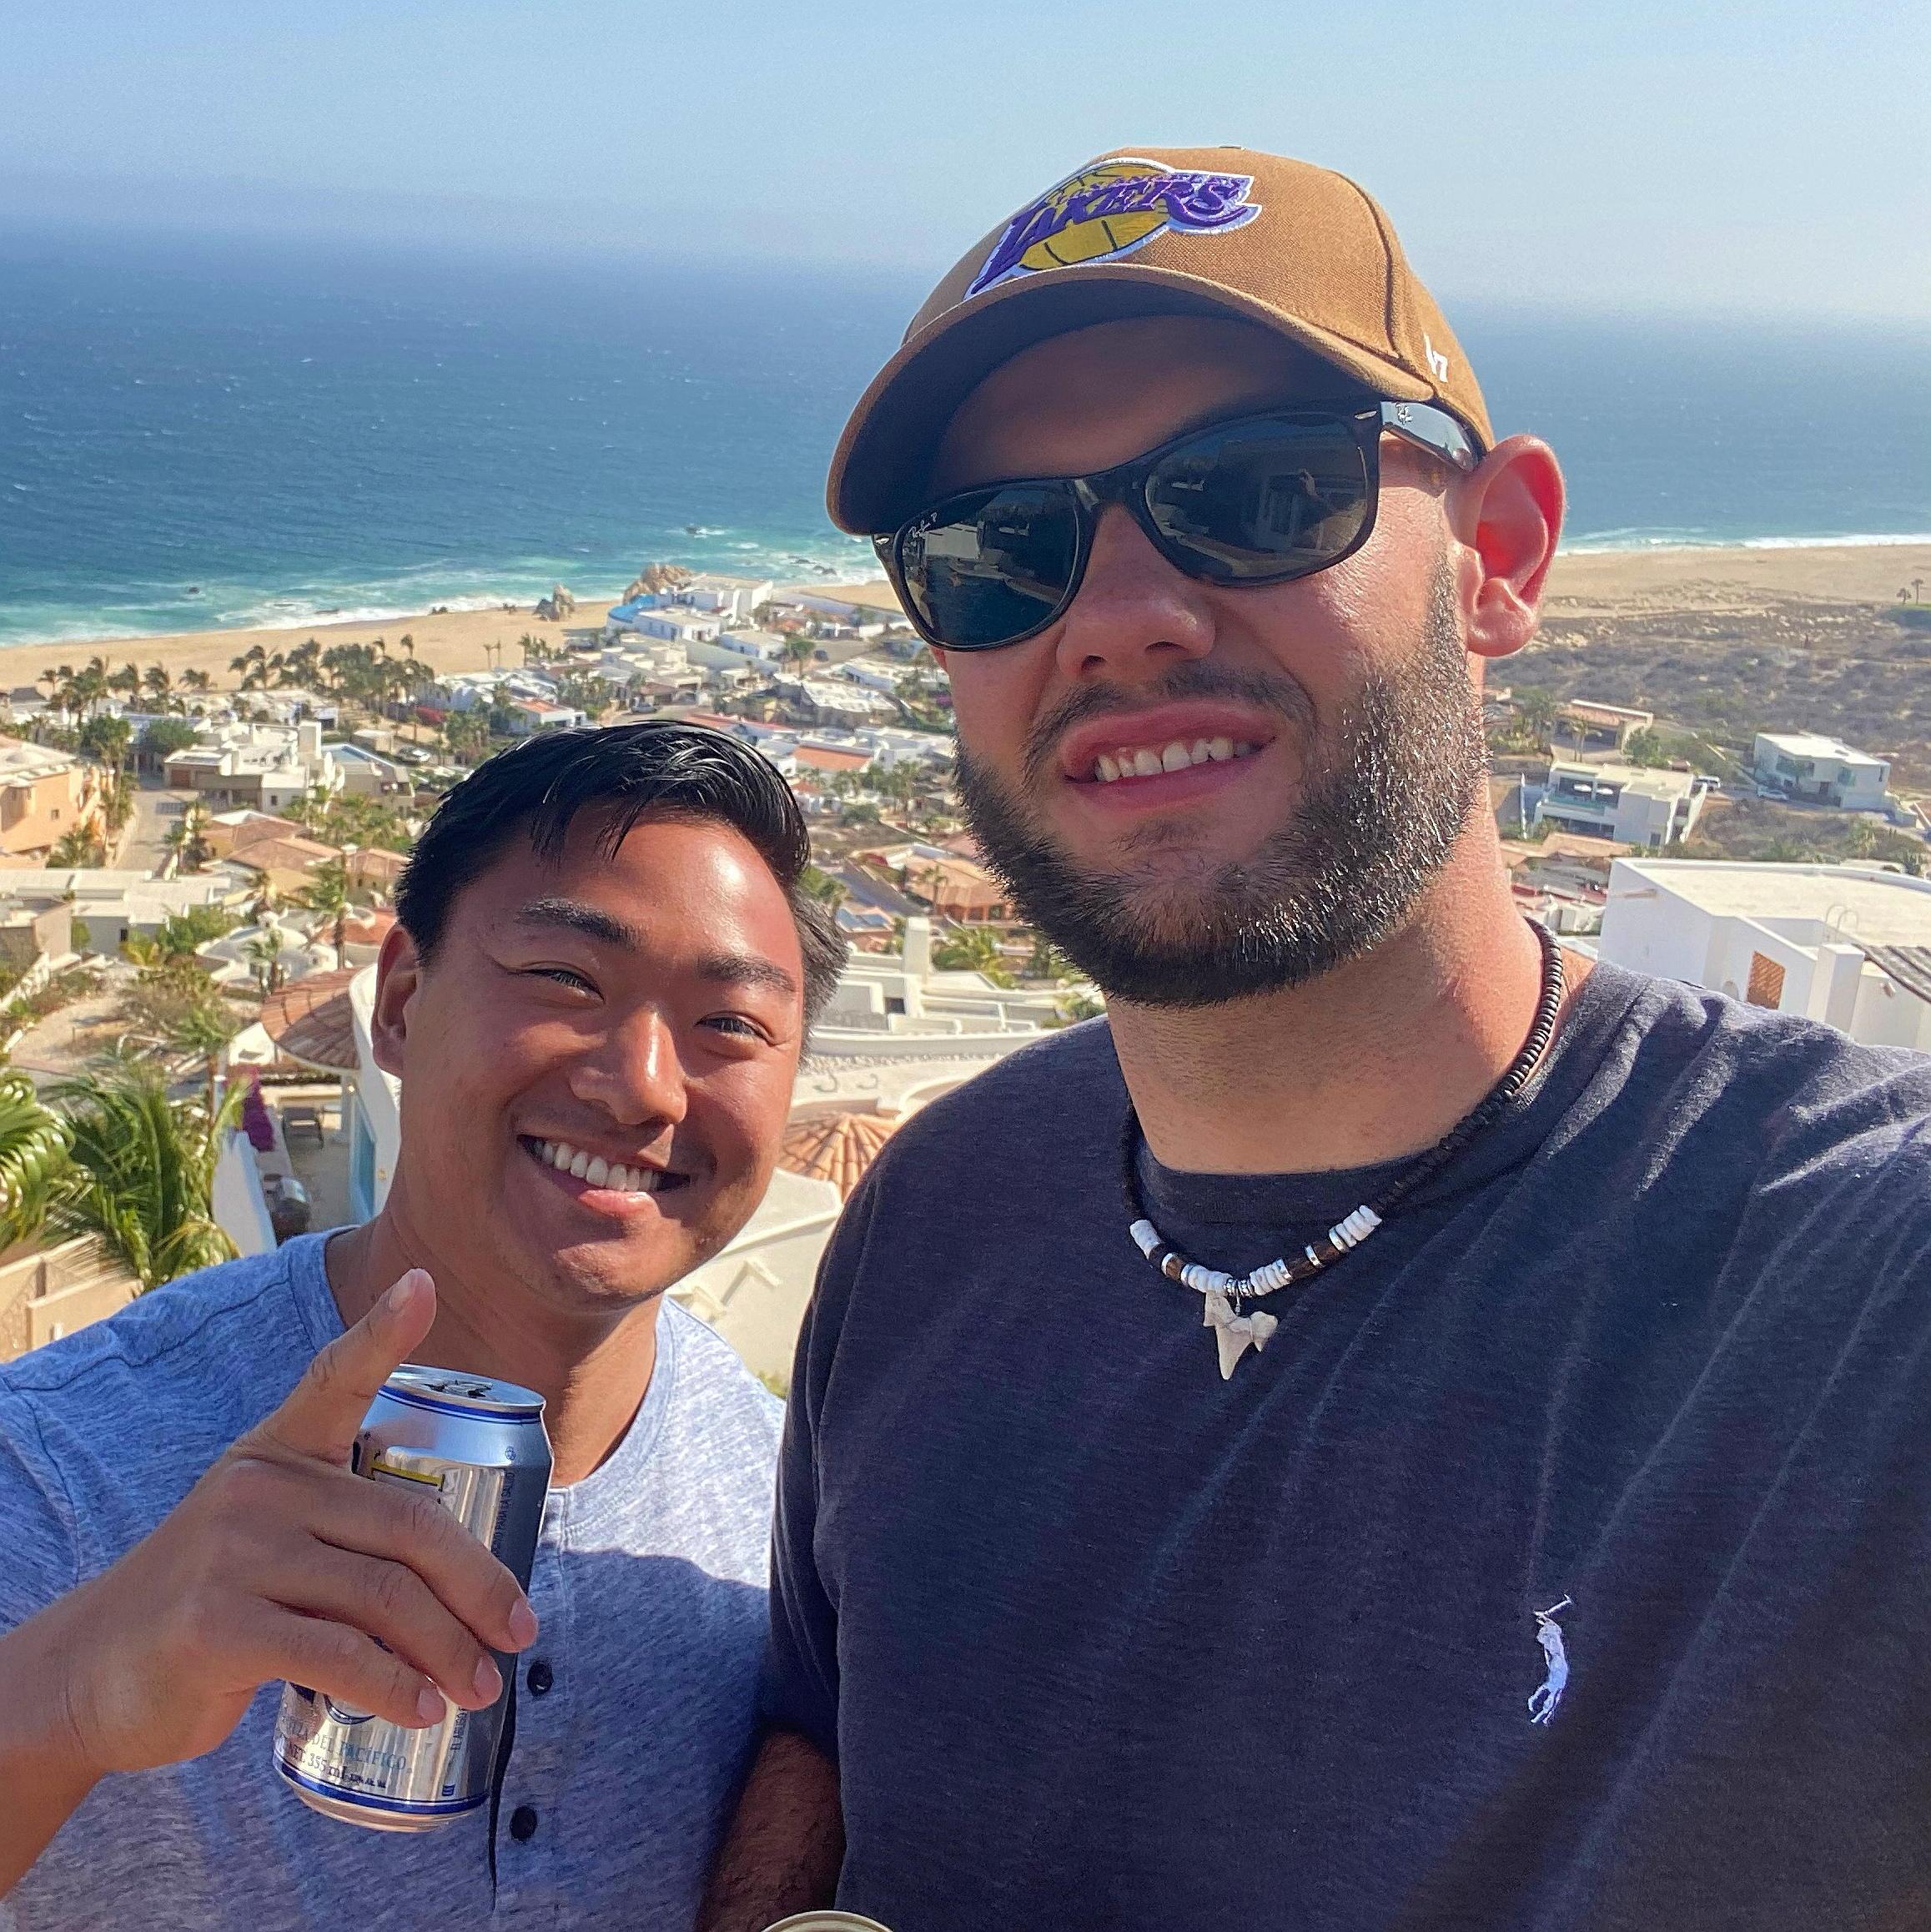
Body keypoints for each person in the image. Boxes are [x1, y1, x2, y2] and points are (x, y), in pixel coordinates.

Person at [700, 148, 1931, 1930]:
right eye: (999, 551)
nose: (1118, 616)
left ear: (1500, 557)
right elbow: (821, 1728)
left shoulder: (1856, 1279)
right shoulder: (939, 1215)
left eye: (1260, 493)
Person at [0, 722, 846, 1929]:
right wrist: (71, 1694)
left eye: (733, 1026)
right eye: (567, 980)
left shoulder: (782, 1514)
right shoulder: (58, 1469)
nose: (645, 1086)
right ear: (400, 1002)